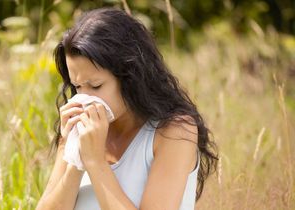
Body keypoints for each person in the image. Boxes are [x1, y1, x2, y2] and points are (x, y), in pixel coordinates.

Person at [36, 7, 218, 210]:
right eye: (77, 86)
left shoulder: (174, 132)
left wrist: (96, 162)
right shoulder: (77, 128)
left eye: (96, 86)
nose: (84, 98)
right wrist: (75, 160)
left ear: (130, 77)